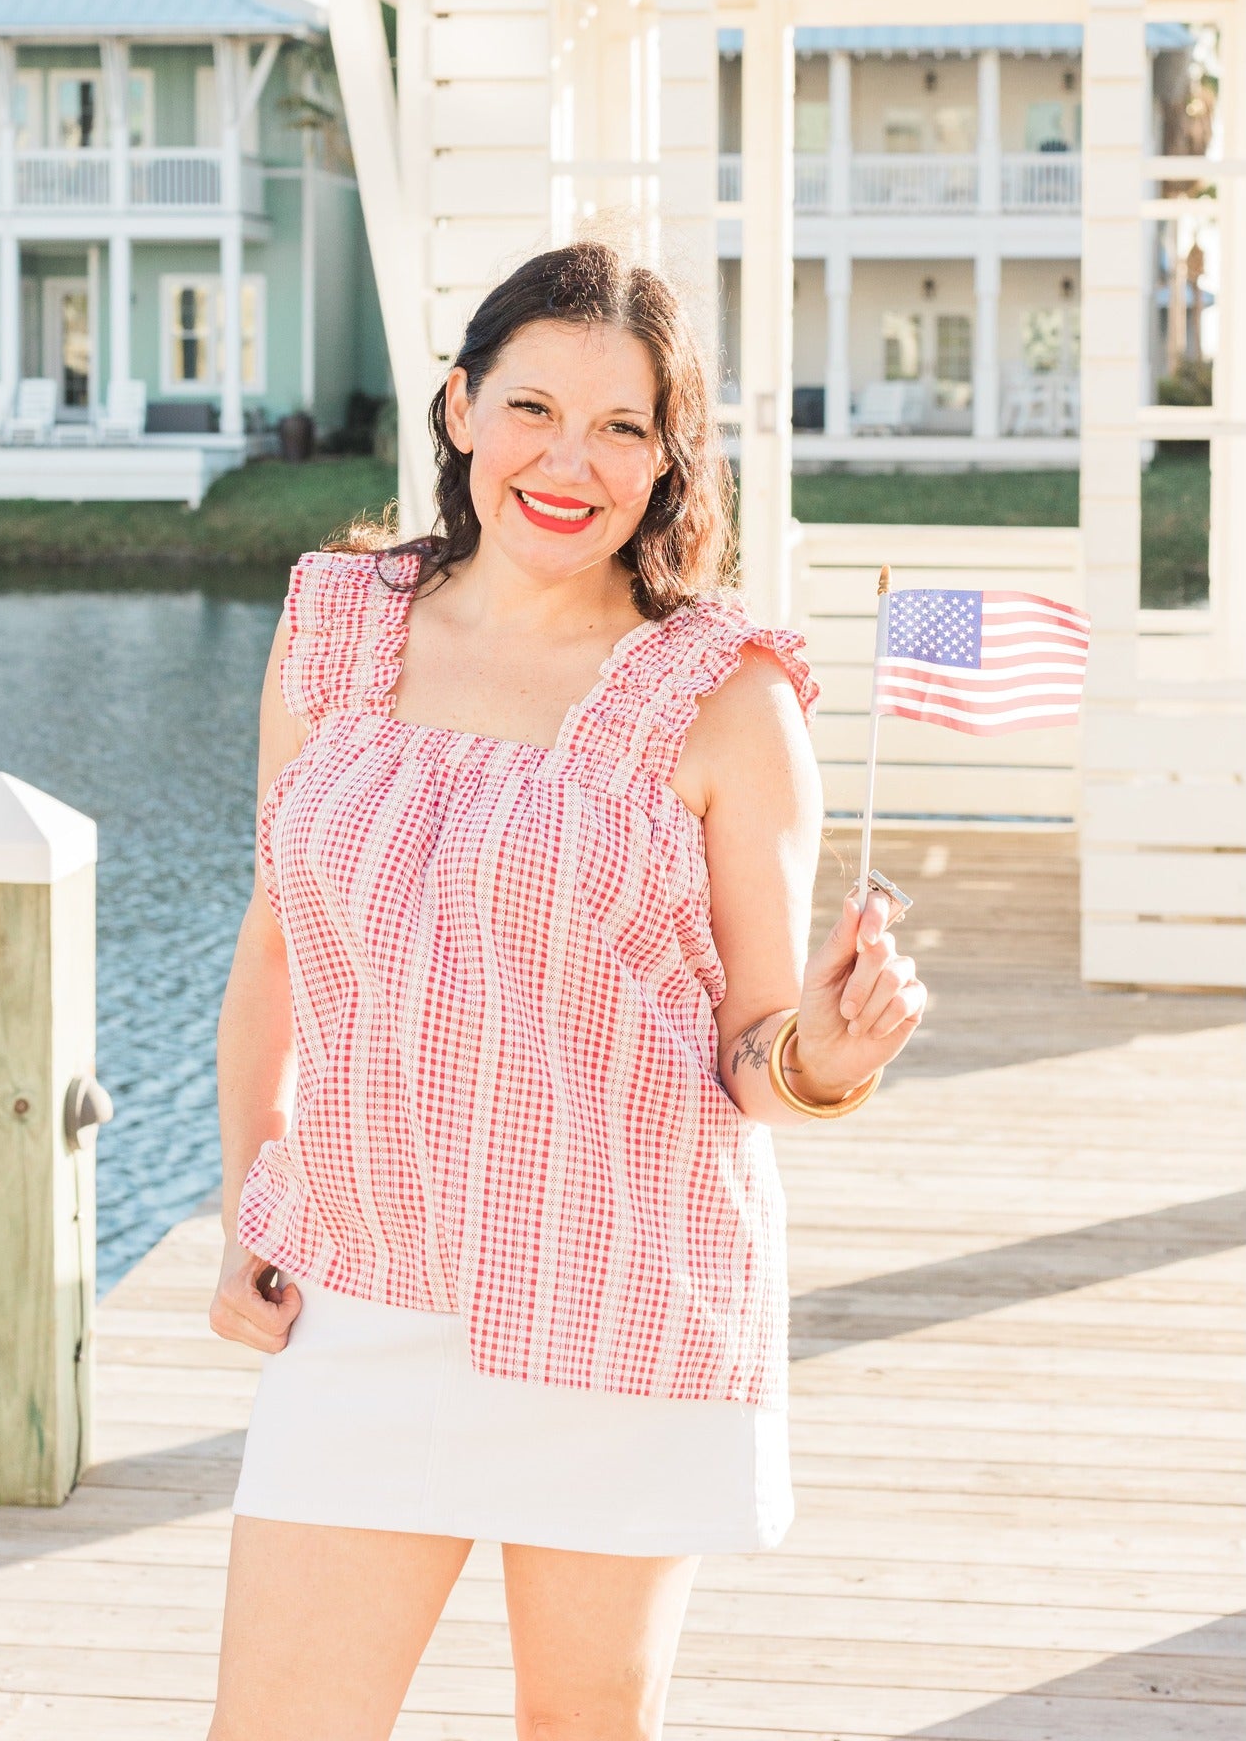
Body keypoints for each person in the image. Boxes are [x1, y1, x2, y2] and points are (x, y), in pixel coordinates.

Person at [207, 240, 927, 1741]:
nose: (567, 461)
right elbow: (276, 941)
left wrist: (832, 1052)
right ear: (460, 407)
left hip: (619, 1301)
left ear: (666, 459)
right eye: (531, 408)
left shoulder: (727, 697)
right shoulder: (334, 623)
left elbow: (752, 1052)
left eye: (619, 427)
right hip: (366, 1284)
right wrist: (247, 1208)